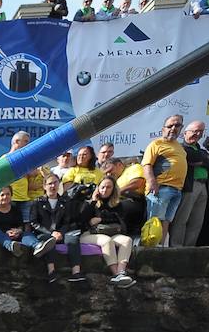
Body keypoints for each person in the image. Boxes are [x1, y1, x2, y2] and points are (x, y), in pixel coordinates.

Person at [77, 175, 136, 287]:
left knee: (127, 240)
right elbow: (82, 220)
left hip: (111, 232)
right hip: (90, 234)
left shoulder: (118, 204)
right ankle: (116, 274)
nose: (105, 190)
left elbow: (119, 219)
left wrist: (101, 219)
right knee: (106, 241)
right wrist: (93, 201)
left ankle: (121, 272)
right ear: (98, 188)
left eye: (108, 187)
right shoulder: (89, 202)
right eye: (102, 187)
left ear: (113, 189)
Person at [31, 173, 83, 282]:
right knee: (49, 242)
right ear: (44, 186)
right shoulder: (37, 202)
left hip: (61, 232)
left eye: (55, 183)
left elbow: (67, 221)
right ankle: (52, 272)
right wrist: (51, 233)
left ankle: (76, 272)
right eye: (50, 183)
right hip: (44, 232)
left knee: (73, 239)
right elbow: (34, 223)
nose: (53, 186)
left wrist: (60, 233)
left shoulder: (65, 201)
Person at [142, 116, 187, 244]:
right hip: (161, 188)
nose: (173, 128)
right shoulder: (156, 144)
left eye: (177, 126)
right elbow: (146, 164)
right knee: (155, 222)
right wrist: (151, 182)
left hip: (177, 190)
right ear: (163, 129)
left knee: (166, 221)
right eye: (170, 126)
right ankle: (150, 250)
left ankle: (160, 249)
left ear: (181, 128)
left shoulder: (179, 146)